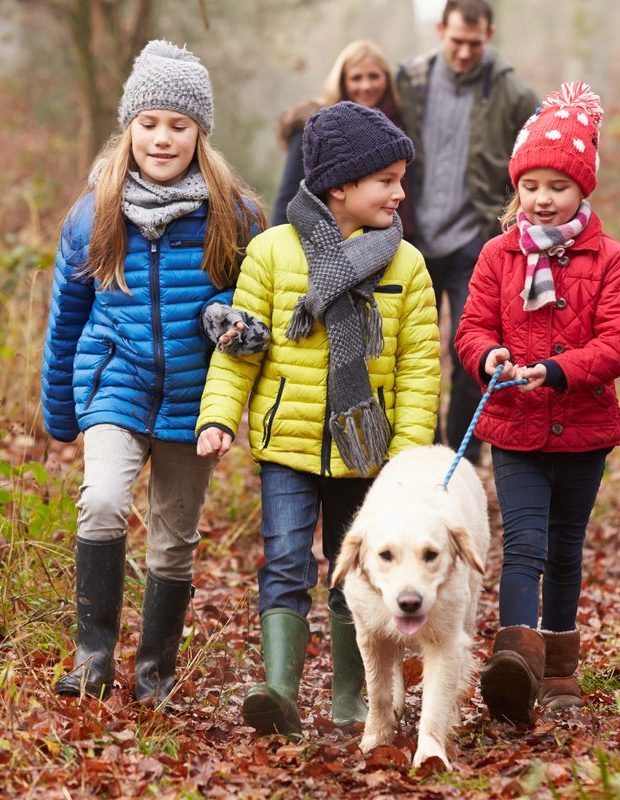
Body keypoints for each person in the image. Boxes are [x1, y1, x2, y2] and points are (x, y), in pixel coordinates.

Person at [196, 101, 440, 735]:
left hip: (368, 454)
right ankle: (279, 691)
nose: (399, 192)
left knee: (353, 568)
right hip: (287, 444)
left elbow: (419, 369)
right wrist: (217, 417)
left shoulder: (406, 264)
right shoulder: (271, 253)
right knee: (284, 563)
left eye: (400, 179)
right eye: (385, 180)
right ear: (340, 186)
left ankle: (352, 698)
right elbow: (240, 349)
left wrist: (409, 460)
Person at [41, 40, 265, 703]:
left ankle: (154, 673)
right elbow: (67, 317)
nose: (162, 138)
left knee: (172, 540)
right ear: (129, 126)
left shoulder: (234, 214)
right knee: (103, 500)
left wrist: (233, 320)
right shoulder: (94, 212)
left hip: (194, 399)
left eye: (178, 125)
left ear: (200, 134)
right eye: (149, 123)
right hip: (115, 384)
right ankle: (92, 656)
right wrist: (59, 410)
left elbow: (259, 303)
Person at [454, 82, 620, 725]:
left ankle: (560, 668)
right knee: (524, 544)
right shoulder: (497, 256)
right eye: (531, 185)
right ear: (517, 189)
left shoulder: (609, 259)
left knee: (564, 547)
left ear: (581, 190)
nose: (542, 198)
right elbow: (472, 328)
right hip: (515, 427)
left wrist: (559, 371)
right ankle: (515, 662)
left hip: (585, 427)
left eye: (557, 186)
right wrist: (489, 357)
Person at [396, 0, 538, 464]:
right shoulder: (410, 81)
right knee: (411, 351)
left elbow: (535, 158)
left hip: (474, 241)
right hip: (411, 237)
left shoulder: (512, 93)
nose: (463, 52)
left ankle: (460, 452)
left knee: (470, 349)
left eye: (474, 44)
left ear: (488, 36)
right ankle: (419, 449)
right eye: (457, 41)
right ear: (441, 30)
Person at [271, 40, 414, 238]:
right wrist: (281, 242)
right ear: (342, 80)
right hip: (323, 237)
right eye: (356, 78)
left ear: (387, 79)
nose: (366, 86)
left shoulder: (402, 126)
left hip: (397, 235)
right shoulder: (317, 129)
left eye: (373, 76)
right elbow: (289, 194)